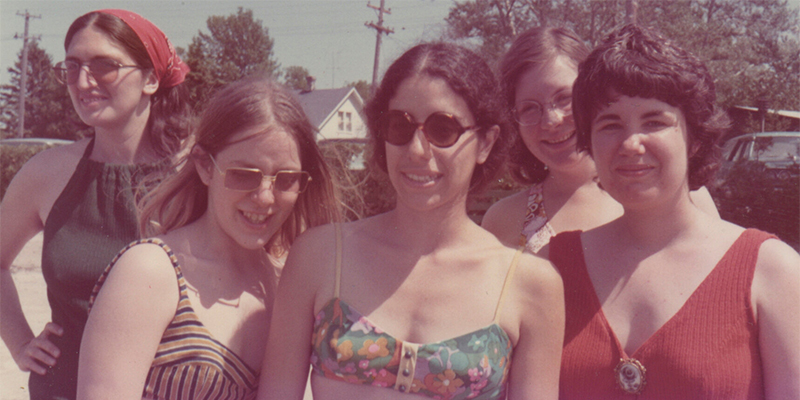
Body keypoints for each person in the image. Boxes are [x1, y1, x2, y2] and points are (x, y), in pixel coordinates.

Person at [258, 42, 564, 400]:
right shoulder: (319, 255)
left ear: (485, 142)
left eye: (443, 130)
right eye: (399, 126)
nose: (418, 150)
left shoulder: (531, 285)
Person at [550, 24, 800, 399]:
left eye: (655, 121)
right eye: (610, 124)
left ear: (694, 137)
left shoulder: (771, 270)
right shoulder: (552, 266)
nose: (631, 143)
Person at [76, 76, 341, 399]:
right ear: (204, 167)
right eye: (244, 174)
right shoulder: (150, 271)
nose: (265, 197)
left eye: (286, 179)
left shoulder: (285, 286)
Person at [0, 9, 190, 399]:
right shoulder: (46, 173)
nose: (83, 82)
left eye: (104, 66)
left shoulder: (194, 175)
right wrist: (19, 342)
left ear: (151, 79)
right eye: (72, 67)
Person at [481, 26, 718, 253]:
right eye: (530, 109)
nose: (550, 121)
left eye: (564, 98)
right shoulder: (503, 219)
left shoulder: (680, 194)